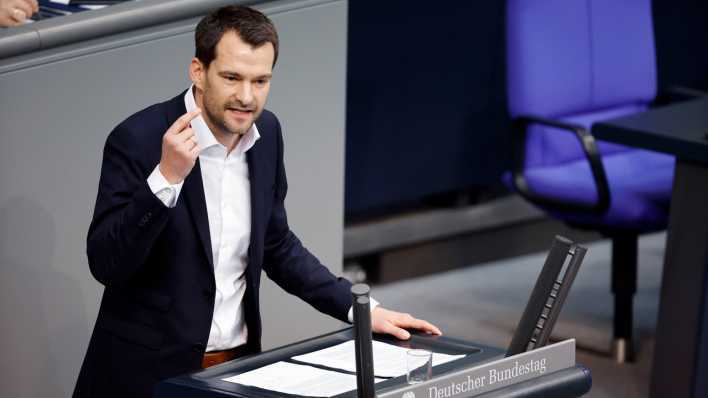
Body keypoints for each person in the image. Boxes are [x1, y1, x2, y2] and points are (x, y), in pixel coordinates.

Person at [73, 5, 440, 397]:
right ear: (198, 71)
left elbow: (276, 245)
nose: (246, 97)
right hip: (148, 379)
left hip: (236, 369)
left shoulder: (267, 133)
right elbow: (107, 263)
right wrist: (166, 179)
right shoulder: (139, 140)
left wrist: (360, 310)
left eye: (260, 80)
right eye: (232, 78)